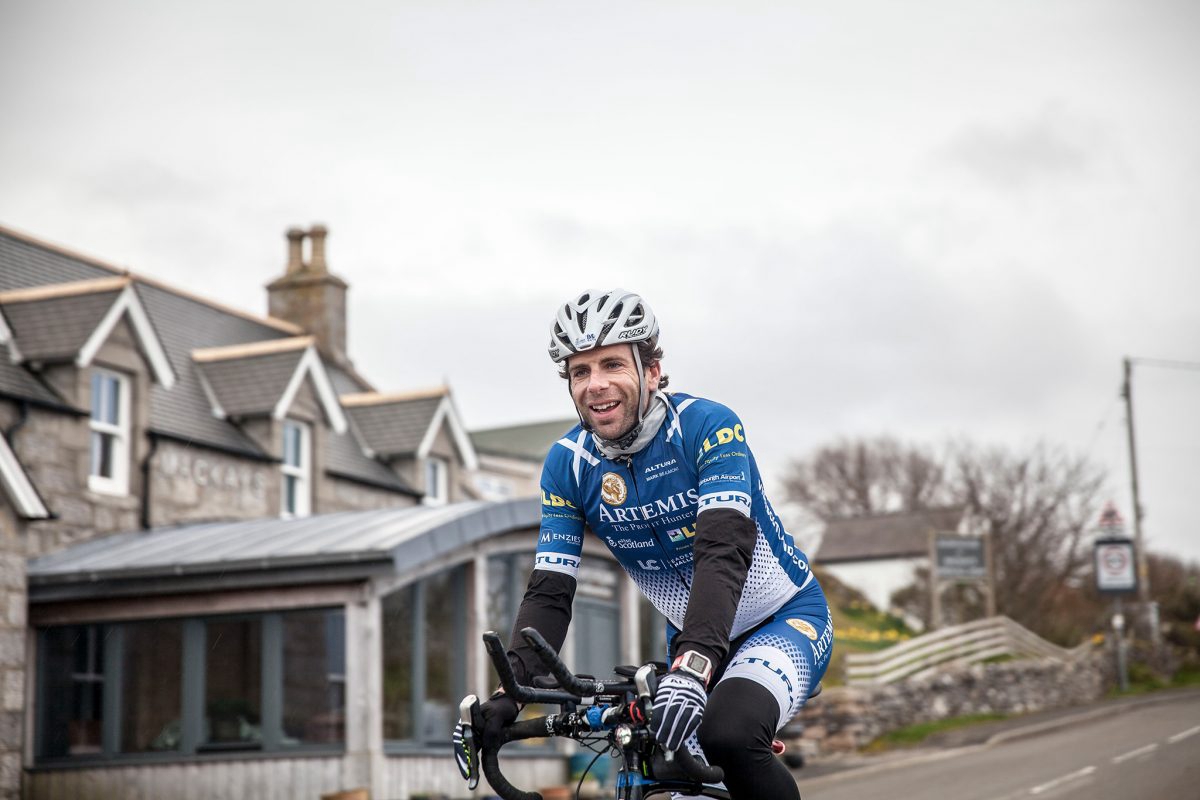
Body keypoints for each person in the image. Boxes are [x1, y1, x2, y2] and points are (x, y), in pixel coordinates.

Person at [472, 288, 832, 799]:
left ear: (652, 372)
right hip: (692, 638)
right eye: (580, 372)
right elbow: (551, 590)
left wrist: (695, 665)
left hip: (780, 619)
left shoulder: (708, 427)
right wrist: (511, 694)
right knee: (665, 768)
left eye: (612, 364)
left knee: (727, 734)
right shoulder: (568, 465)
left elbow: (722, 552)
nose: (596, 385)